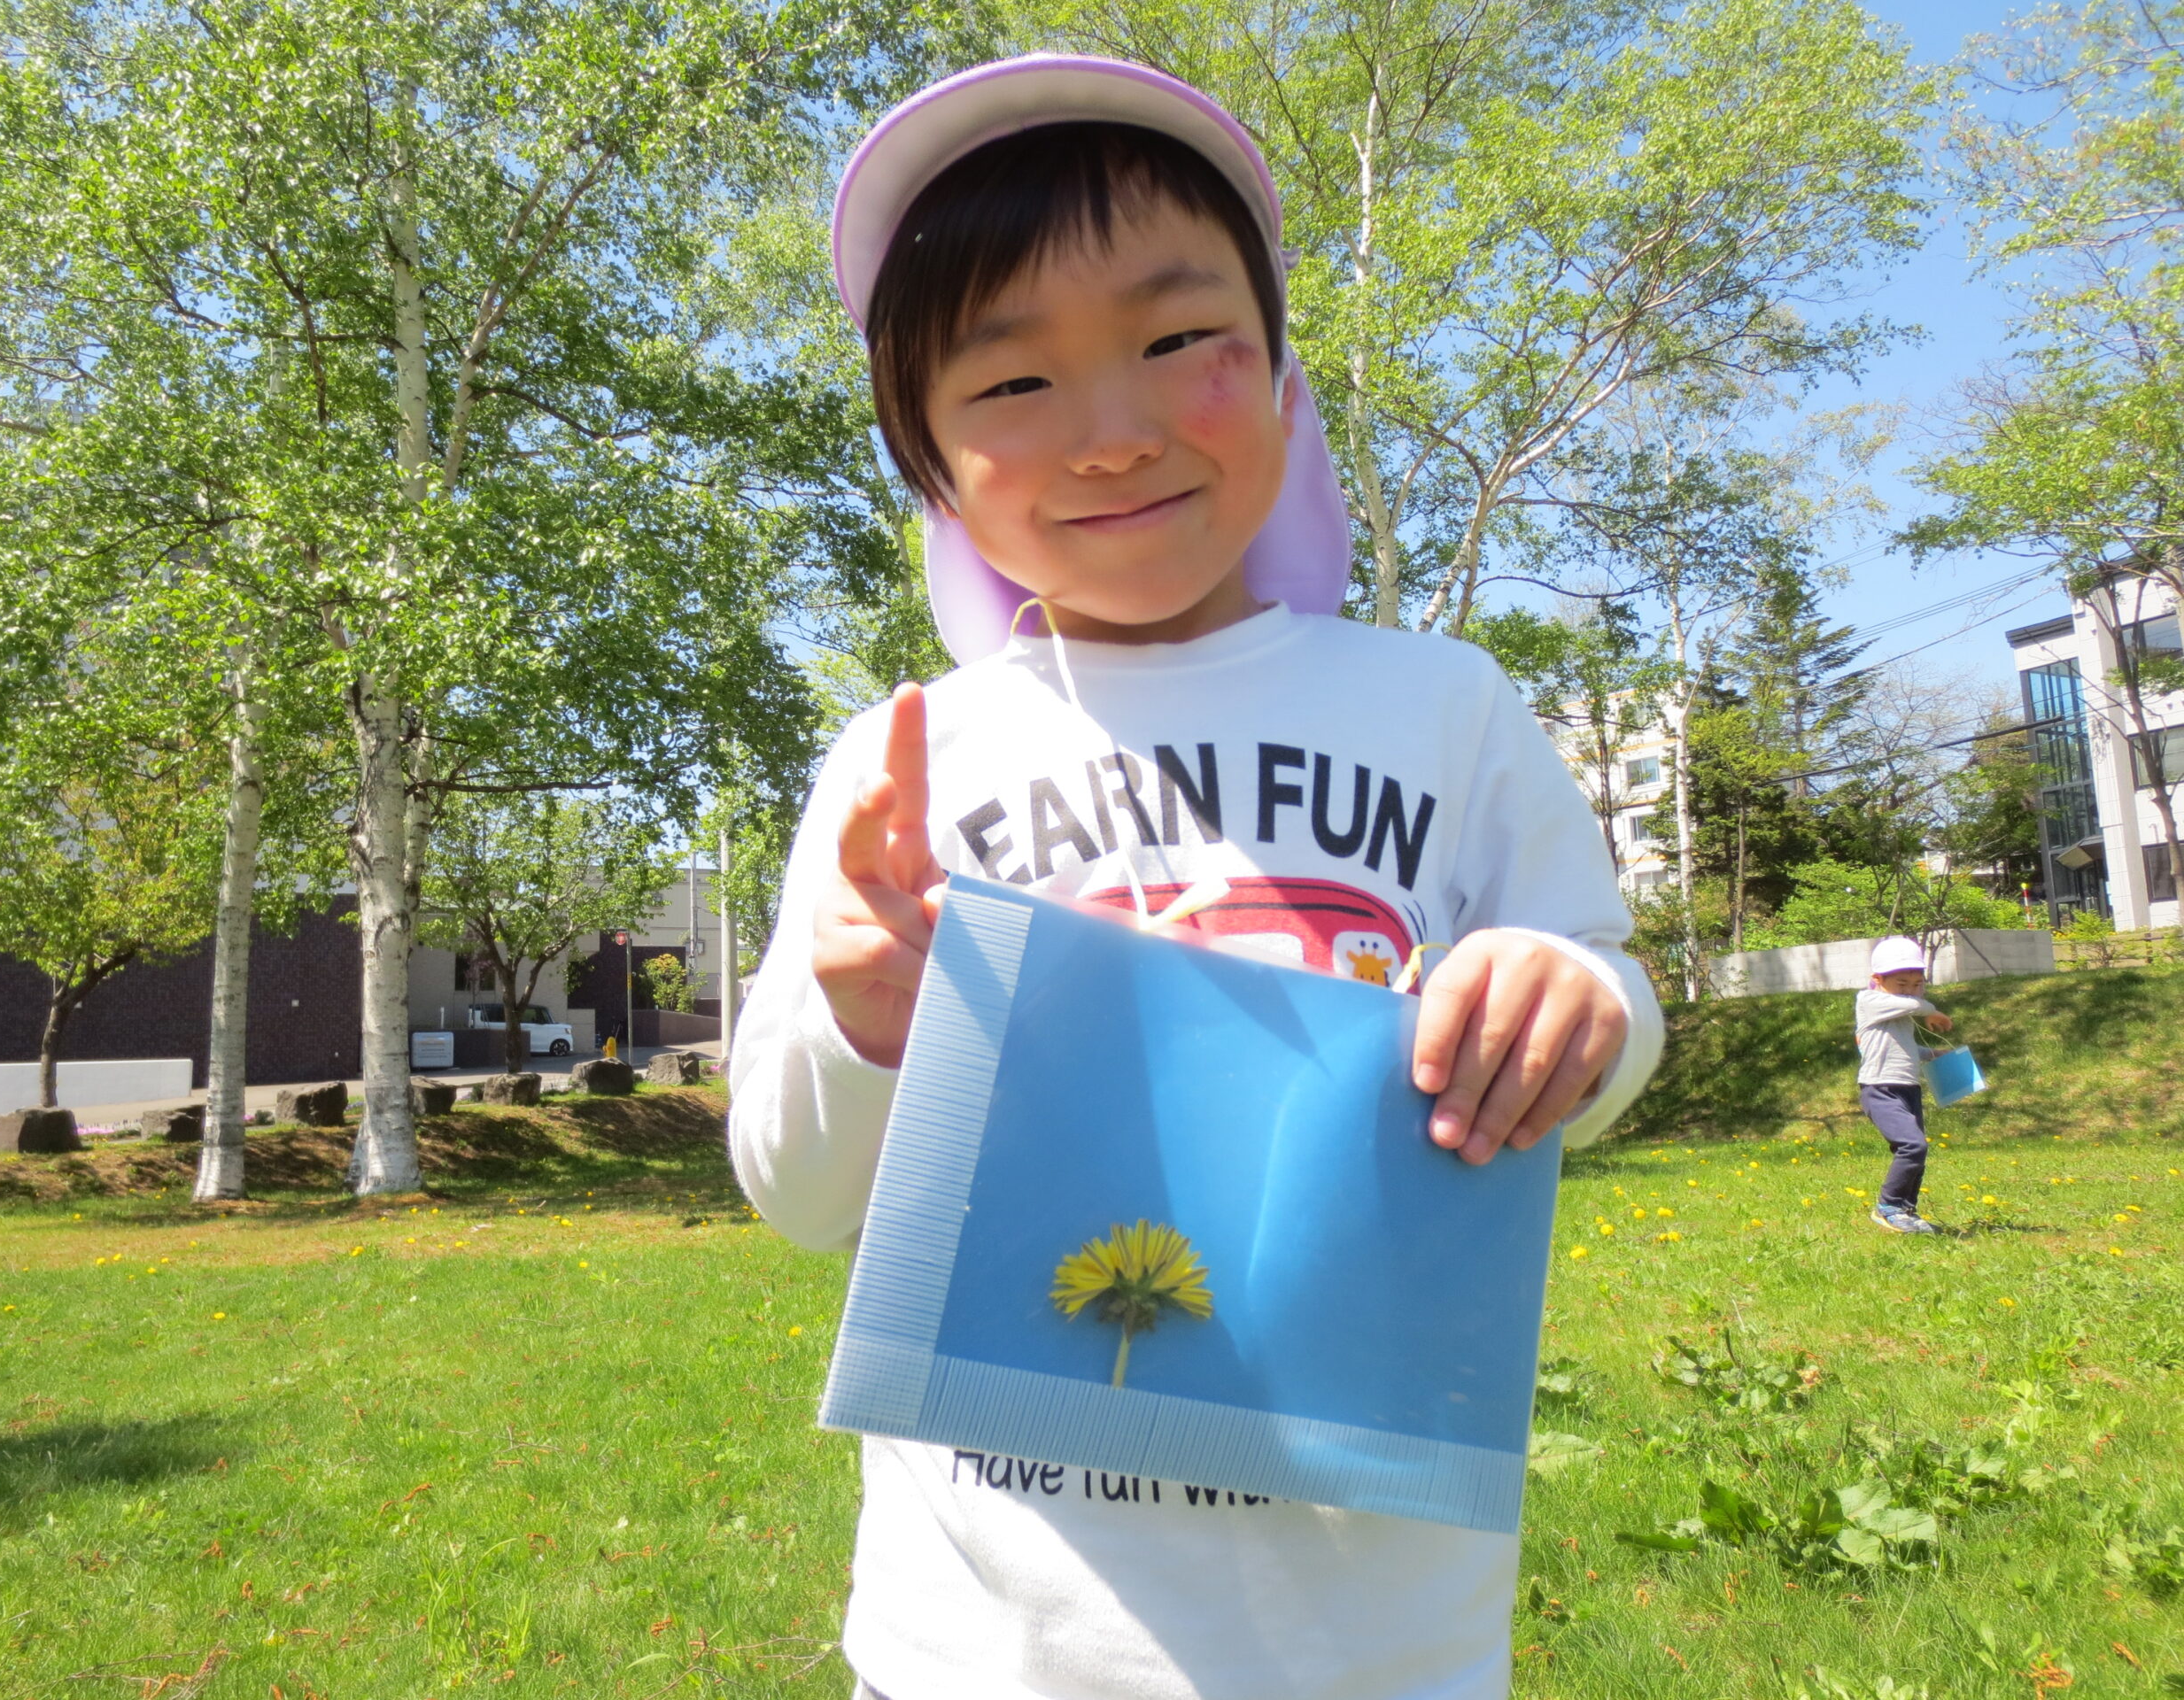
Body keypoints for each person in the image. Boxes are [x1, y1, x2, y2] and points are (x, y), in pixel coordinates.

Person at [730, 55, 1666, 1700]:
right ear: (929, 465)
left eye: (1181, 342)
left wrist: (1577, 1001)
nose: (1116, 432)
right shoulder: (909, 763)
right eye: (1010, 384)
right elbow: (799, 1198)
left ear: (1289, 379)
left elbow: (1600, 1013)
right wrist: (861, 1017)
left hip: (1380, 1641)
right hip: (986, 1647)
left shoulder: (1445, 706)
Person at [1855, 935, 1953, 1235]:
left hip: (1908, 1088)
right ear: (1878, 980)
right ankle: (1889, 1206)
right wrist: (1930, 1008)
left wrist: (1933, 1054)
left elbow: (1904, 1048)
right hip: (1879, 1089)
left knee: (1917, 1152)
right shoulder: (1870, 1001)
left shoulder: (1902, 1014)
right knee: (1913, 1145)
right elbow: (1916, 1005)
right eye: (1902, 984)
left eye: (1917, 983)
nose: (1911, 990)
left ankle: (1906, 1212)